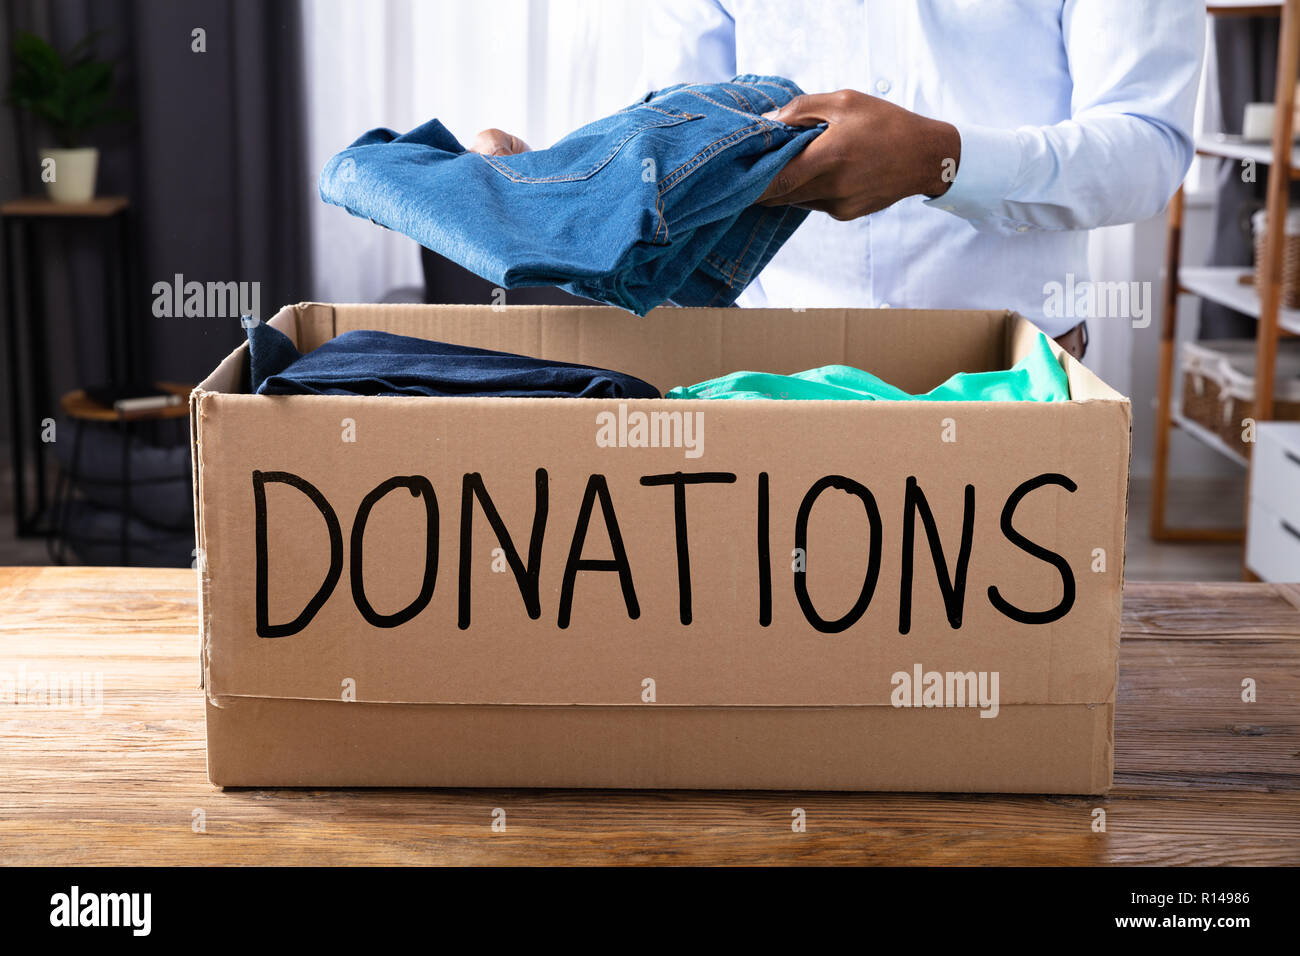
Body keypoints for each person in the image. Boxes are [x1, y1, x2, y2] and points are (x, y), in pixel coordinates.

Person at [470, 0, 1205, 360]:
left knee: (1007, 652)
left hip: (1009, 375)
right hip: (767, 376)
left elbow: (1146, 146)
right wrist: (567, 188)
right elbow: (682, 120)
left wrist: (941, 162)